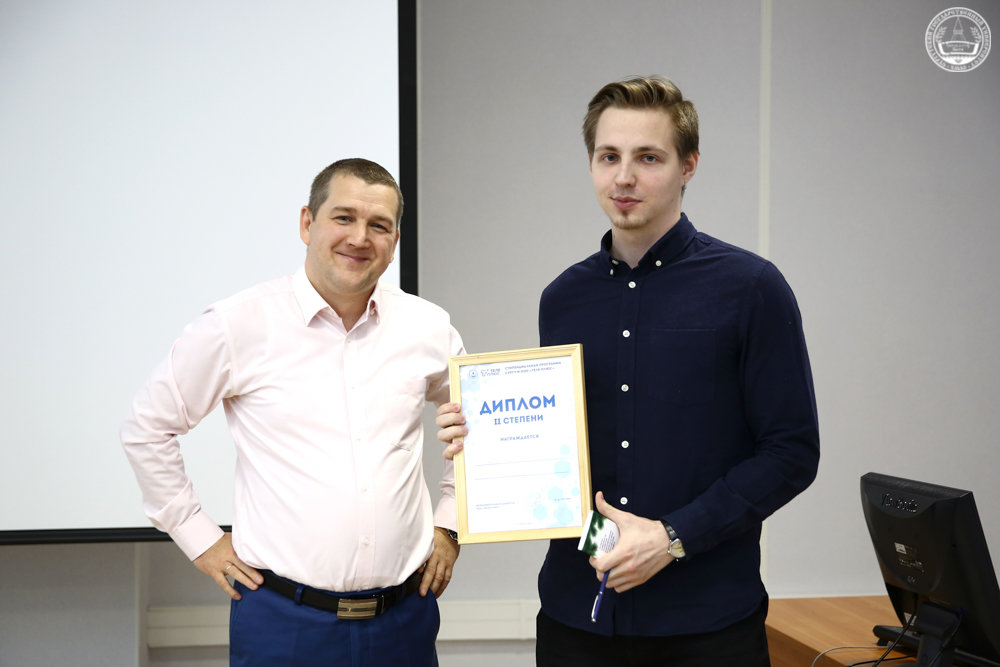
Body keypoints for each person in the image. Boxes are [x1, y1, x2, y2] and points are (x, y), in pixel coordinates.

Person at [436, 76, 820, 666]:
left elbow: (791, 452)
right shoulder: (562, 299)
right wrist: (481, 441)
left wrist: (673, 538)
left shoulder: (751, 288)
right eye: (608, 156)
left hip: (707, 627)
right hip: (576, 621)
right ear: (591, 164)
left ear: (688, 165)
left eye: (648, 157)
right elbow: (562, 455)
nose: (624, 177)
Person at [122, 158, 464, 667]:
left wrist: (450, 524)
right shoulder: (238, 324)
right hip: (283, 623)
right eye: (343, 217)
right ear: (307, 223)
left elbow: (482, 425)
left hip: (403, 619)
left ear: (394, 241)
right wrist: (200, 540)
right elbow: (147, 427)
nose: (359, 238)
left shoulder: (427, 327)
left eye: (378, 225)